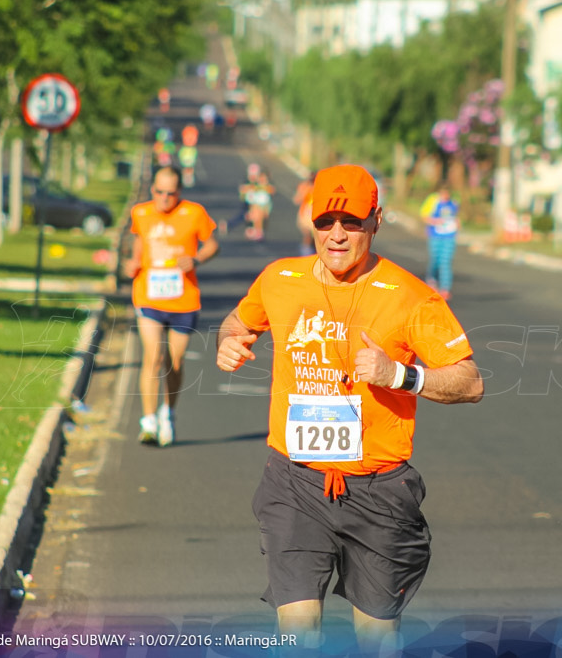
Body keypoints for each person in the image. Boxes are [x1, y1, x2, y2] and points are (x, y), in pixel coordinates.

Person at [215, 164, 483, 653]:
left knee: (377, 639)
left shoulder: (410, 297)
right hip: (294, 482)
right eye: (325, 221)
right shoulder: (280, 279)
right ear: (309, 221)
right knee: (298, 635)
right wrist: (230, 341)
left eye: (352, 221)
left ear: (376, 221)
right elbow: (238, 320)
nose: (336, 235)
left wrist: (400, 375)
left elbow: (469, 381)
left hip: (378, 491)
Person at [124, 166, 219, 447]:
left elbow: (213, 244)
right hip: (148, 296)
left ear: (179, 192)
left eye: (171, 193)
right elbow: (139, 241)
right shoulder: (140, 213)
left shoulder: (194, 213)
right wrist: (134, 262)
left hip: (183, 299)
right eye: (159, 192)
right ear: (152, 189)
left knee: (173, 364)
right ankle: (148, 422)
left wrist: (197, 259)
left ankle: (168, 412)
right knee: (153, 357)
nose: (164, 198)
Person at [419, 183, 460, 300]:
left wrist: (457, 224)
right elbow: (424, 216)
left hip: (449, 237)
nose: (446, 196)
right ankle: (431, 280)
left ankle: (445, 288)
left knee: (446, 261)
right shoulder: (433, 201)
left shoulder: (454, 203)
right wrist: (436, 221)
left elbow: (456, 217)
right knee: (435, 260)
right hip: (435, 236)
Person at [292, 170, 316, 256]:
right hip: (306, 214)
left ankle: (313, 254)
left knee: (315, 238)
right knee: (307, 235)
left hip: (316, 214)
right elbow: (296, 200)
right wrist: (305, 190)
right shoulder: (305, 187)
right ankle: (306, 253)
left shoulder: (321, 188)